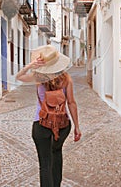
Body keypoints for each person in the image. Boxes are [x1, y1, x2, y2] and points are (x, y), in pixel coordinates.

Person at [16, 45, 81, 187]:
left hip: (41, 125)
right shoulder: (66, 79)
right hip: (62, 124)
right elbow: (71, 103)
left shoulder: (38, 78)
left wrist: (30, 66)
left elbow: (19, 77)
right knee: (56, 153)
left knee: (45, 164)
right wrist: (77, 126)